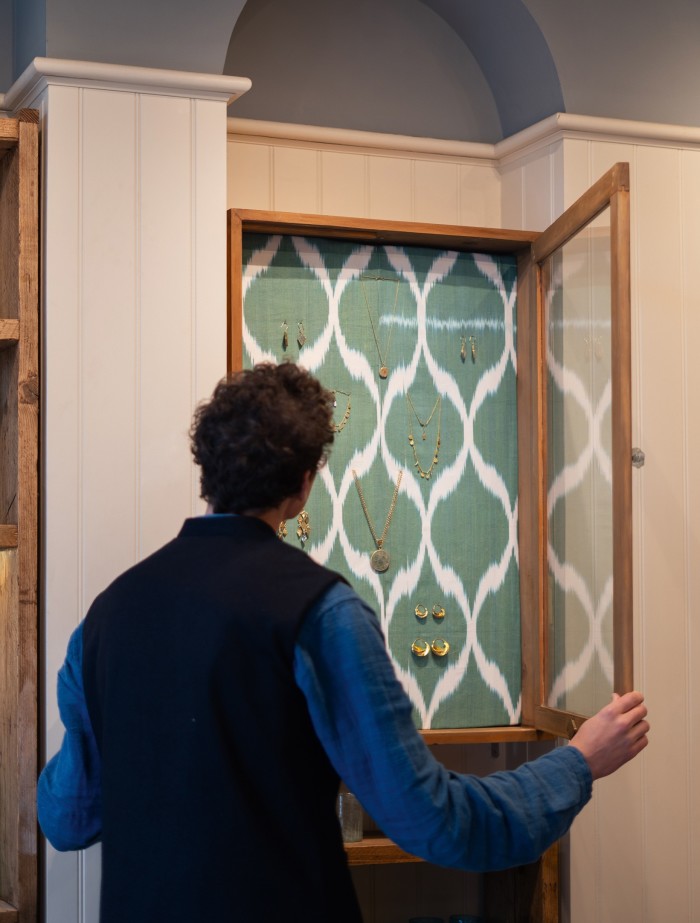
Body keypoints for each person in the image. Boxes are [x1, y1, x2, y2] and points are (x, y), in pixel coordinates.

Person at [38, 361, 649, 923]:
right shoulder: (319, 612)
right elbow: (434, 822)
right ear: (304, 485)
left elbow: (66, 818)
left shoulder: (103, 620)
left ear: (207, 472)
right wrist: (579, 762)